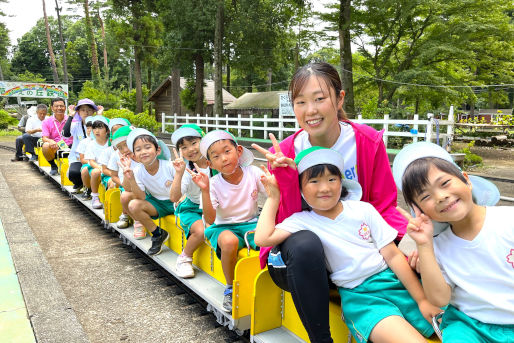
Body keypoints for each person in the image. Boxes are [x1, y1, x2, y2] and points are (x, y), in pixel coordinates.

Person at [251, 62, 407, 342]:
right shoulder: (284, 152)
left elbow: (384, 204)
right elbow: (283, 223)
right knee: (306, 243)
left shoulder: (366, 142)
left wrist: (410, 242)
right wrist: (286, 177)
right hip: (304, 262)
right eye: (301, 102)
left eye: (319, 99)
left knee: (420, 251)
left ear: (339, 99)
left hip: (356, 247)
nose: (310, 110)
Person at [255, 147, 439, 343]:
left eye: (331, 179)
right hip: (362, 299)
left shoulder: (362, 209)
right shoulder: (301, 220)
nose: (324, 188)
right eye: (314, 181)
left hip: (394, 282)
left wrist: (421, 299)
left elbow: (392, 256)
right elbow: (262, 239)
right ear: (300, 188)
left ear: (341, 182)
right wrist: (274, 197)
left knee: (450, 327)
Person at [392, 141, 513, 343]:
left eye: (445, 183)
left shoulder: (508, 220)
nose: (441, 197)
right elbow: (440, 300)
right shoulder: (437, 246)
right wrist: (424, 245)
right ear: (419, 210)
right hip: (469, 326)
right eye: (426, 196)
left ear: (466, 179)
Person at [190, 130, 264, 312]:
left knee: (273, 239)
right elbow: (210, 219)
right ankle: (230, 288)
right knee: (229, 241)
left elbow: (272, 195)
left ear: (238, 151)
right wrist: (205, 190)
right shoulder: (213, 184)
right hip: (222, 227)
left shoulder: (253, 172)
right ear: (210, 163)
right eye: (216, 156)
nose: (223, 158)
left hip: (252, 223)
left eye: (227, 151)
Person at [120, 128, 174, 255]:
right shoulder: (138, 171)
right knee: (133, 205)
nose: (143, 152)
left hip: (178, 201)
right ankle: (157, 234)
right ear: (134, 156)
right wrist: (131, 178)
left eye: (147, 147)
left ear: (157, 150)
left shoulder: (169, 166)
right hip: (157, 203)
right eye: (138, 150)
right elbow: (141, 196)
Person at [169, 124, 210, 279]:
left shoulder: (216, 161)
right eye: (184, 147)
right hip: (193, 208)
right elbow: (174, 197)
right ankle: (184, 258)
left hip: (216, 207)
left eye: (194, 143)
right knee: (200, 231)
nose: (190, 149)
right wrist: (178, 174)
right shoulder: (186, 170)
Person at [62, 98, 102, 191]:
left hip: (97, 158)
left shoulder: (99, 125)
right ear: (78, 112)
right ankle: (81, 183)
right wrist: (71, 116)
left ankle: (92, 187)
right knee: (74, 173)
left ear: (93, 112)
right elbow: (65, 134)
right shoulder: (76, 125)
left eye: (89, 110)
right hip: (78, 158)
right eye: (83, 110)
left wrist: (99, 116)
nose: (86, 112)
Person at [107, 125, 141, 235]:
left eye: (126, 144)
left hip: (144, 186)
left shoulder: (142, 153)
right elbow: (113, 175)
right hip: (127, 184)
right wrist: (124, 184)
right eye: (120, 147)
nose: (124, 150)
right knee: (126, 194)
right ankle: (133, 219)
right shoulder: (116, 156)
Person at [81, 116, 110, 208]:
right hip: (97, 167)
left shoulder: (111, 143)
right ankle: (95, 197)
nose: (97, 131)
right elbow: (91, 161)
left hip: (109, 167)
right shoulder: (91, 144)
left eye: (100, 128)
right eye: (95, 128)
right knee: (95, 172)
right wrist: (100, 168)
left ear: (107, 130)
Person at [41, 98, 73, 175]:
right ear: (52, 108)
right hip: (56, 146)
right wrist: (50, 141)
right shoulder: (46, 122)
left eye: (61, 106)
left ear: (65, 108)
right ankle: (53, 165)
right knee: (45, 146)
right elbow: (44, 137)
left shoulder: (72, 119)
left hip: (71, 145)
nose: (59, 108)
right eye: (56, 106)